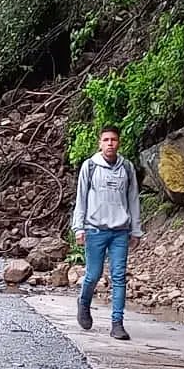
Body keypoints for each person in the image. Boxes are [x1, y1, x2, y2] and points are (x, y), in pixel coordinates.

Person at [71, 124, 142, 340]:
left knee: (119, 277)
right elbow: (81, 198)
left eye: (113, 140)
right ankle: (84, 303)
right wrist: (78, 228)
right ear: (100, 143)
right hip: (95, 230)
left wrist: (136, 230)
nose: (110, 143)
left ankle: (117, 323)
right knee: (93, 275)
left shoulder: (127, 168)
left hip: (120, 231)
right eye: (106, 140)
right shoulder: (90, 166)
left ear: (118, 142)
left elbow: (133, 200)